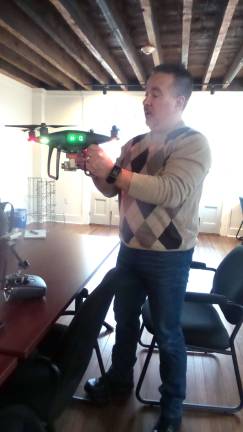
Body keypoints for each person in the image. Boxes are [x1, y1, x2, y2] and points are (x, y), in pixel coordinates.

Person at [77, 64, 211, 432]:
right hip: (129, 248)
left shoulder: (193, 143)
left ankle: (171, 415)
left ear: (179, 101)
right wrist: (95, 170)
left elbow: (170, 191)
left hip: (170, 257)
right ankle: (119, 381)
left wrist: (114, 172)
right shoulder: (134, 144)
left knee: (168, 335)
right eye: (146, 93)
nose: (146, 100)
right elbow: (112, 189)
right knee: (124, 320)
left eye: (156, 93)